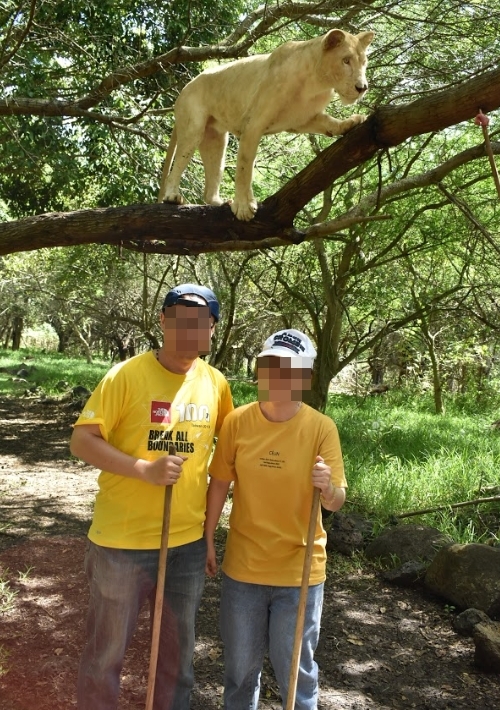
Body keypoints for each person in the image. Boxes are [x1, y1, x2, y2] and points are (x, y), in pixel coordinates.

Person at [70, 284, 233, 710]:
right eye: (179, 319)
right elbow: (83, 441)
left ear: (212, 329)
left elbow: (235, 453)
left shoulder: (216, 385)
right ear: (163, 321)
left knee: (177, 661)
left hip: (186, 547)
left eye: (200, 323)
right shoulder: (126, 376)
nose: (189, 330)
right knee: (105, 657)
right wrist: (143, 469)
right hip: (120, 544)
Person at [205, 329, 346, 710]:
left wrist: (328, 487)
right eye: (271, 367)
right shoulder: (237, 421)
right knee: (239, 672)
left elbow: (336, 501)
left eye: (290, 370)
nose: (279, 377)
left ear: (306, 378)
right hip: (244, 570)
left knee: (296, 673)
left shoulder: (321, 428)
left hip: (299, 573)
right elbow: (219, 482)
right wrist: (207, 538)